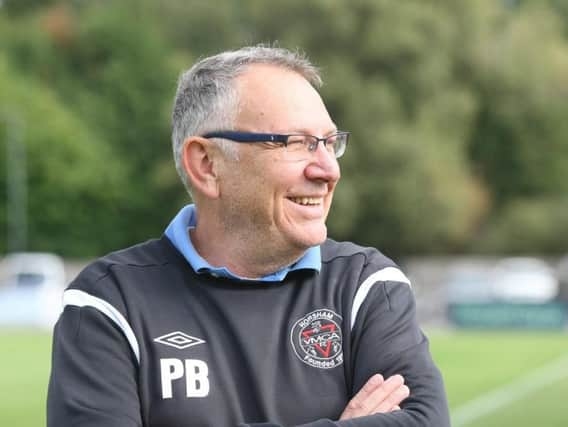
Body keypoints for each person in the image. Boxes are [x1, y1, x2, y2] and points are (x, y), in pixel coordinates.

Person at [47, 46, 450, 427]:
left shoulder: (365, 285)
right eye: (298, 143)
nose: (328, 170)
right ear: (206, 165)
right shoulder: (109, 303)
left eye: (329, 143)